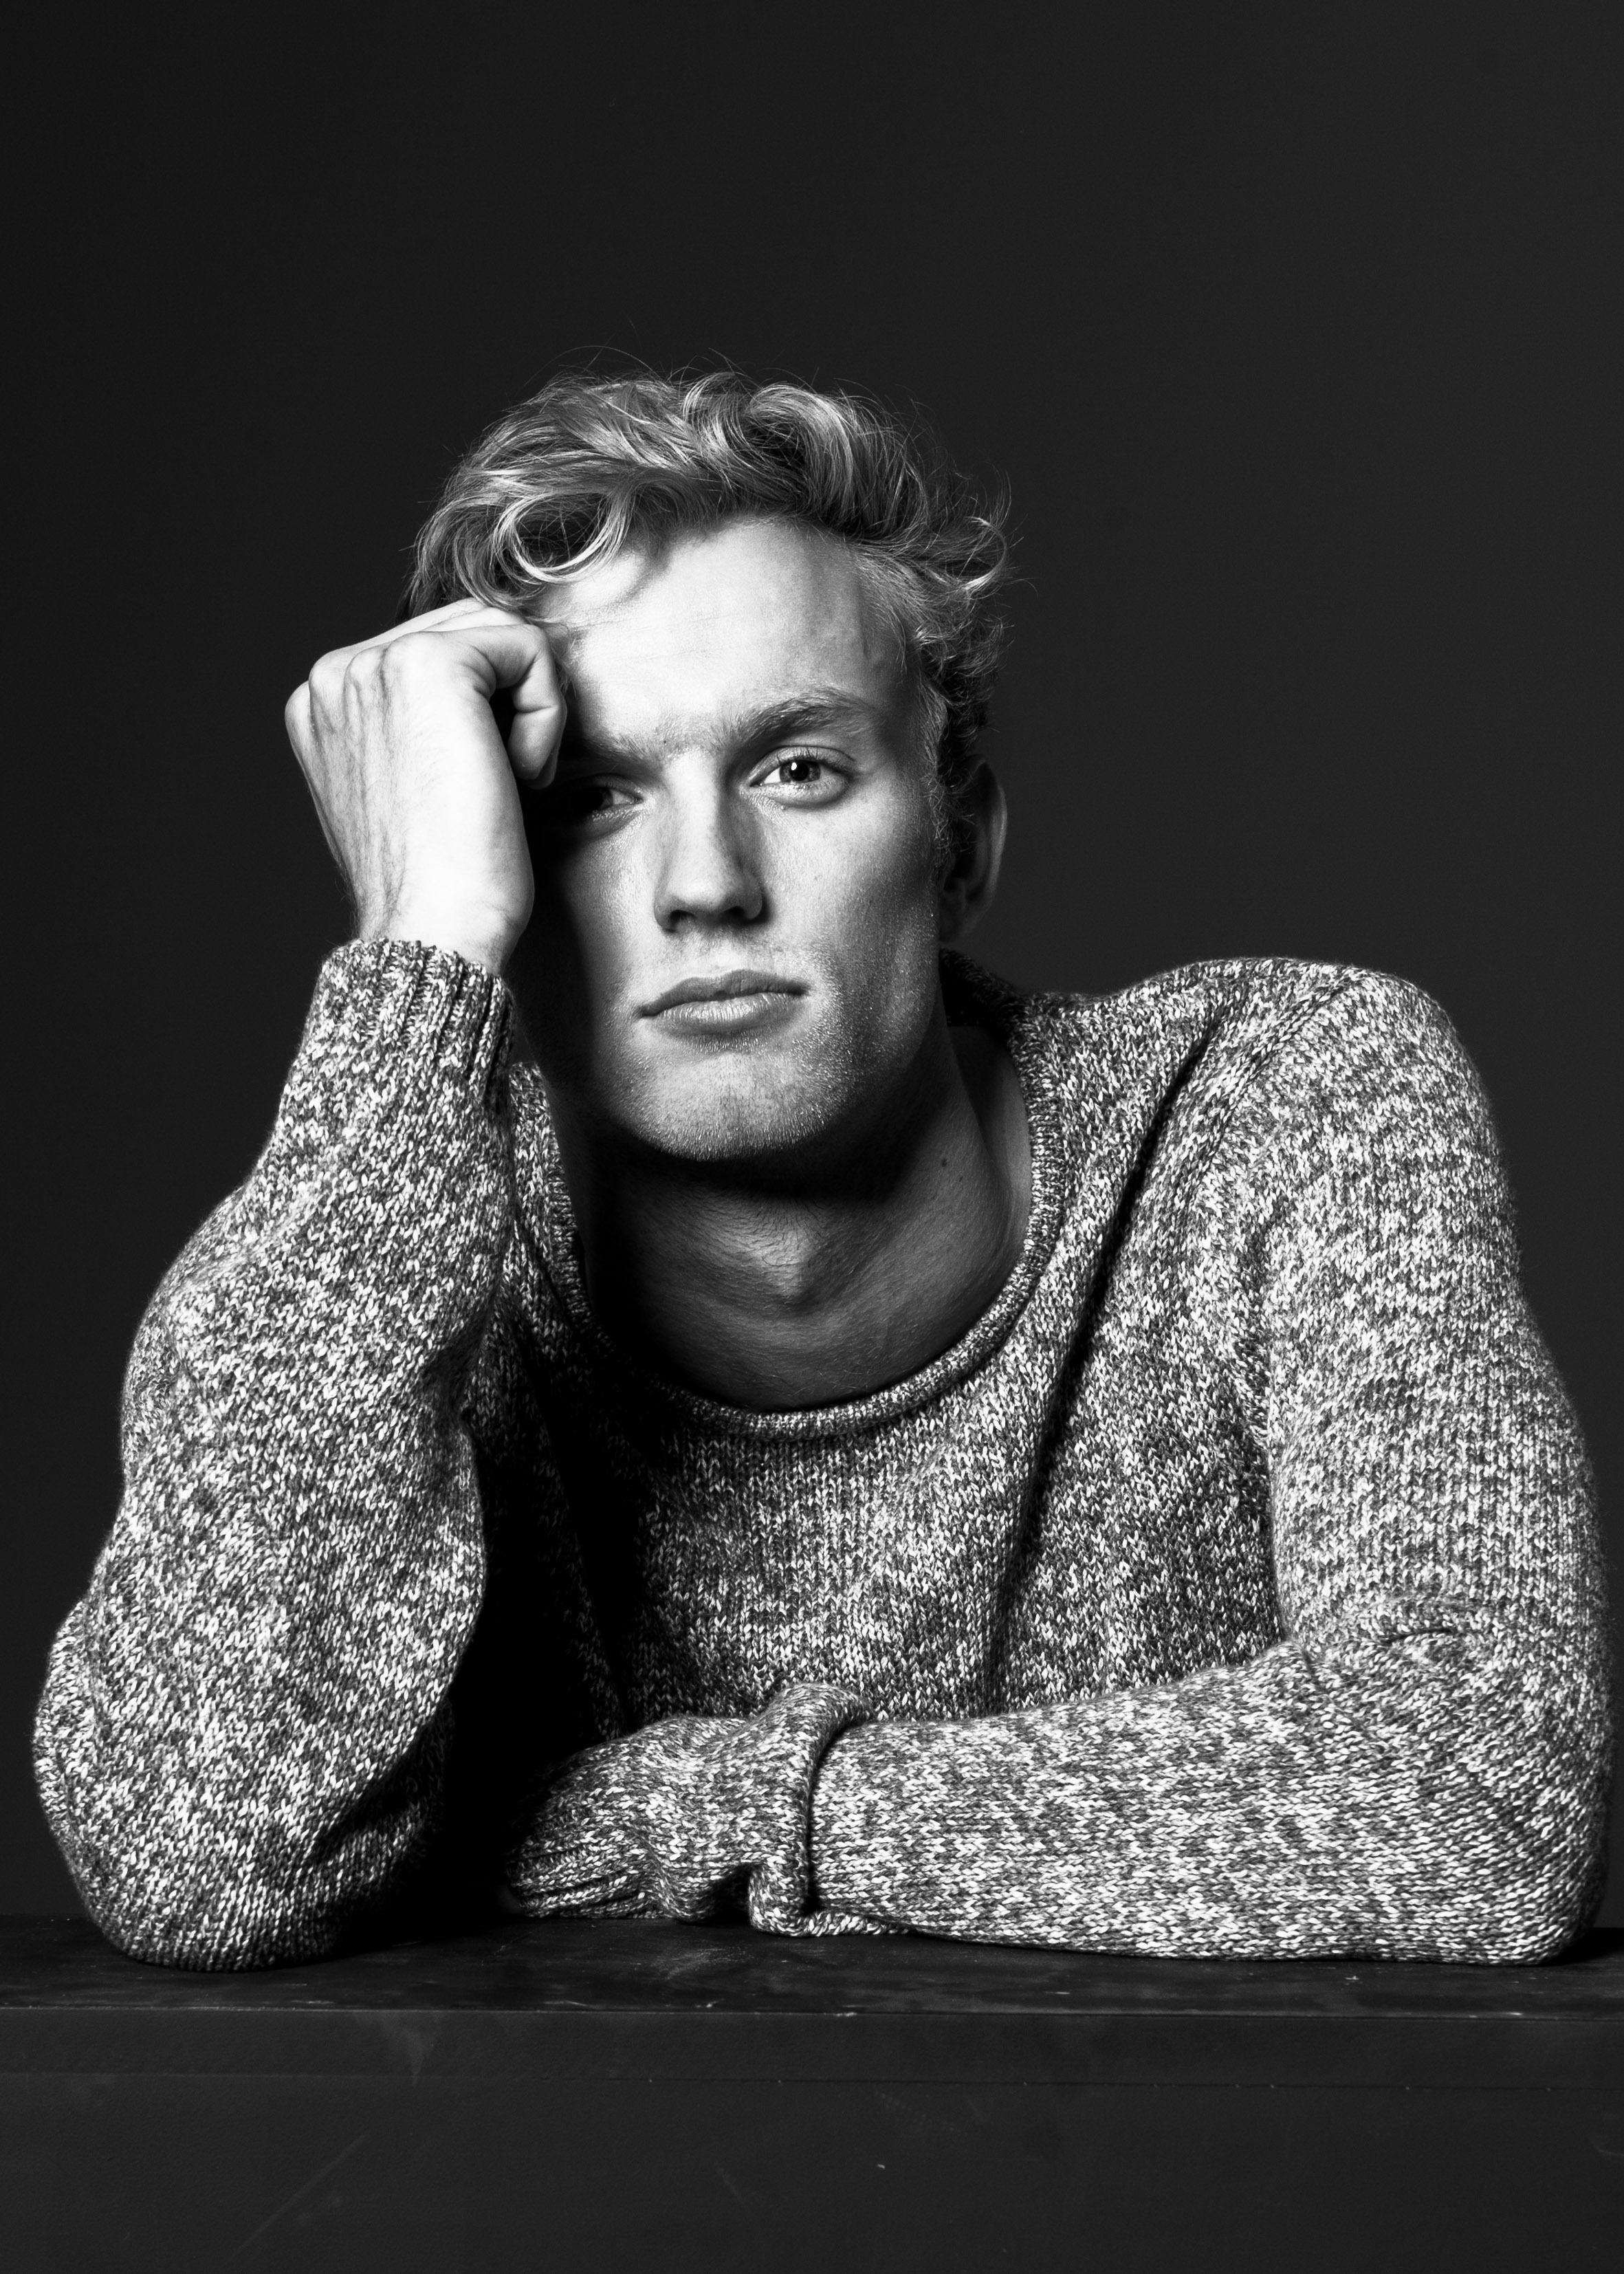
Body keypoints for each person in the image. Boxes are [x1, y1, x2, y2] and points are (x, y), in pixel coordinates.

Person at [34, 371, 1611, 1971]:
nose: (704, 885)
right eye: (591, 800)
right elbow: (203, 1852)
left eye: (795, 769)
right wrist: (416, 956)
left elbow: (1480, 1790)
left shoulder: (1268, 1106)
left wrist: (650, 1818)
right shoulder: (381, 1239)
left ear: (956, 841)